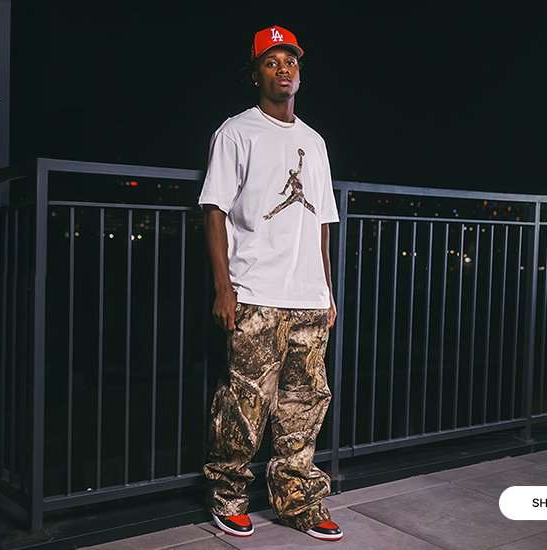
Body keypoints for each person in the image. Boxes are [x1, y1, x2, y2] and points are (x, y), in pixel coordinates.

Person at [197, 25, 343, 542]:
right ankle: (228, 496)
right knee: (246, 400)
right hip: (255, 292)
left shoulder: (314, 142)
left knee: (305, 402)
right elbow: (214, 210)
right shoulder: (236, 132)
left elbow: (324, 221)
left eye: (291, 62)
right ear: (256, 72)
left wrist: (327, 291)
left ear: (300, 72)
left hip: (307, 297)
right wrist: (224, 287)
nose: (284, 70)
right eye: (272, 62)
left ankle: (299, 501)